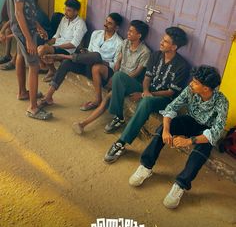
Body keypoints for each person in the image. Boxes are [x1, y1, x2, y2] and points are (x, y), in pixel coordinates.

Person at [129, 66, 229, 209]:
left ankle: (180, 185)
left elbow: (216, 132)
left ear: (206, 88)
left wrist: (189, 141)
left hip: (206, 130)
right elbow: (171, 108)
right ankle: (146, 166)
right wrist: (166, 131)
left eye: (195, 82)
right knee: (165, 126)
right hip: (189, 120)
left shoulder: (221, 101)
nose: (190, 84)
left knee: (203, 149)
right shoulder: (190, 91)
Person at [104, 27, 190, 163]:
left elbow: (171, 92)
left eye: (166, 42)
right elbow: (147, 78)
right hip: (148, 90)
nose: (161, 42)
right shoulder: (156, 55)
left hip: (164, 99)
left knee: (146, 102)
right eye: (162, 39)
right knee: (119, 76)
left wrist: (147, 95)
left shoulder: (182, 66)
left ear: (174, 47)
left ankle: (121, 143)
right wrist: (145, 91)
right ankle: (119, 116)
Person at [72, 20, 150, 135]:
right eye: (129, 30)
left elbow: (137, 73)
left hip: (131, 82)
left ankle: (84, 124)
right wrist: (115, 72)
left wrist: (117, 80)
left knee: (107, 98)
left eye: (131, 32)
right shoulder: (125, 43)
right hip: (119, 77)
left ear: (139, 35)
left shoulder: (145, 52)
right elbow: (118, 62)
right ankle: (99, 102)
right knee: (98, 68)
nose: (128, 33)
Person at [38, 13, 123, 109]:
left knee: (97, 57)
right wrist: (85, 52)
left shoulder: (119, 42)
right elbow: (90, 51)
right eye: (106, 21)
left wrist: (100, 61)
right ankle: (48, 96)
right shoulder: (96, 34)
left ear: (116, 28)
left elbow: (115, 65)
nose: (105, 25)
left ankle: (61, 56)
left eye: (110, 23)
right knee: (66, 63)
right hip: (88, 65)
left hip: (102, 72)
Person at [6, 0, 52, 120]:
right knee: (33, 66)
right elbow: (18, 13)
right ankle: (33, 107)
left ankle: (22, 92)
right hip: (24, 31)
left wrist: (38, 25)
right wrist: (29, 39)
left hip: (26, 28)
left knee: (20, 56)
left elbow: (26, 10)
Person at [38, 0, 87, 82]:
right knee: (40, 48)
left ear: (76, 12)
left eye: (69, 10)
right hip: (57, 45)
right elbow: (56, 36)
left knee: (42, 50)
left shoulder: (80, 24)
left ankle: (51, 70)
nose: (65, 12)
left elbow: (73, 44)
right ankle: (52, 70)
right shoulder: (64, 19)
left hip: (68, 50)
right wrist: (47, 44)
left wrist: (54, 47)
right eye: (65, 9)